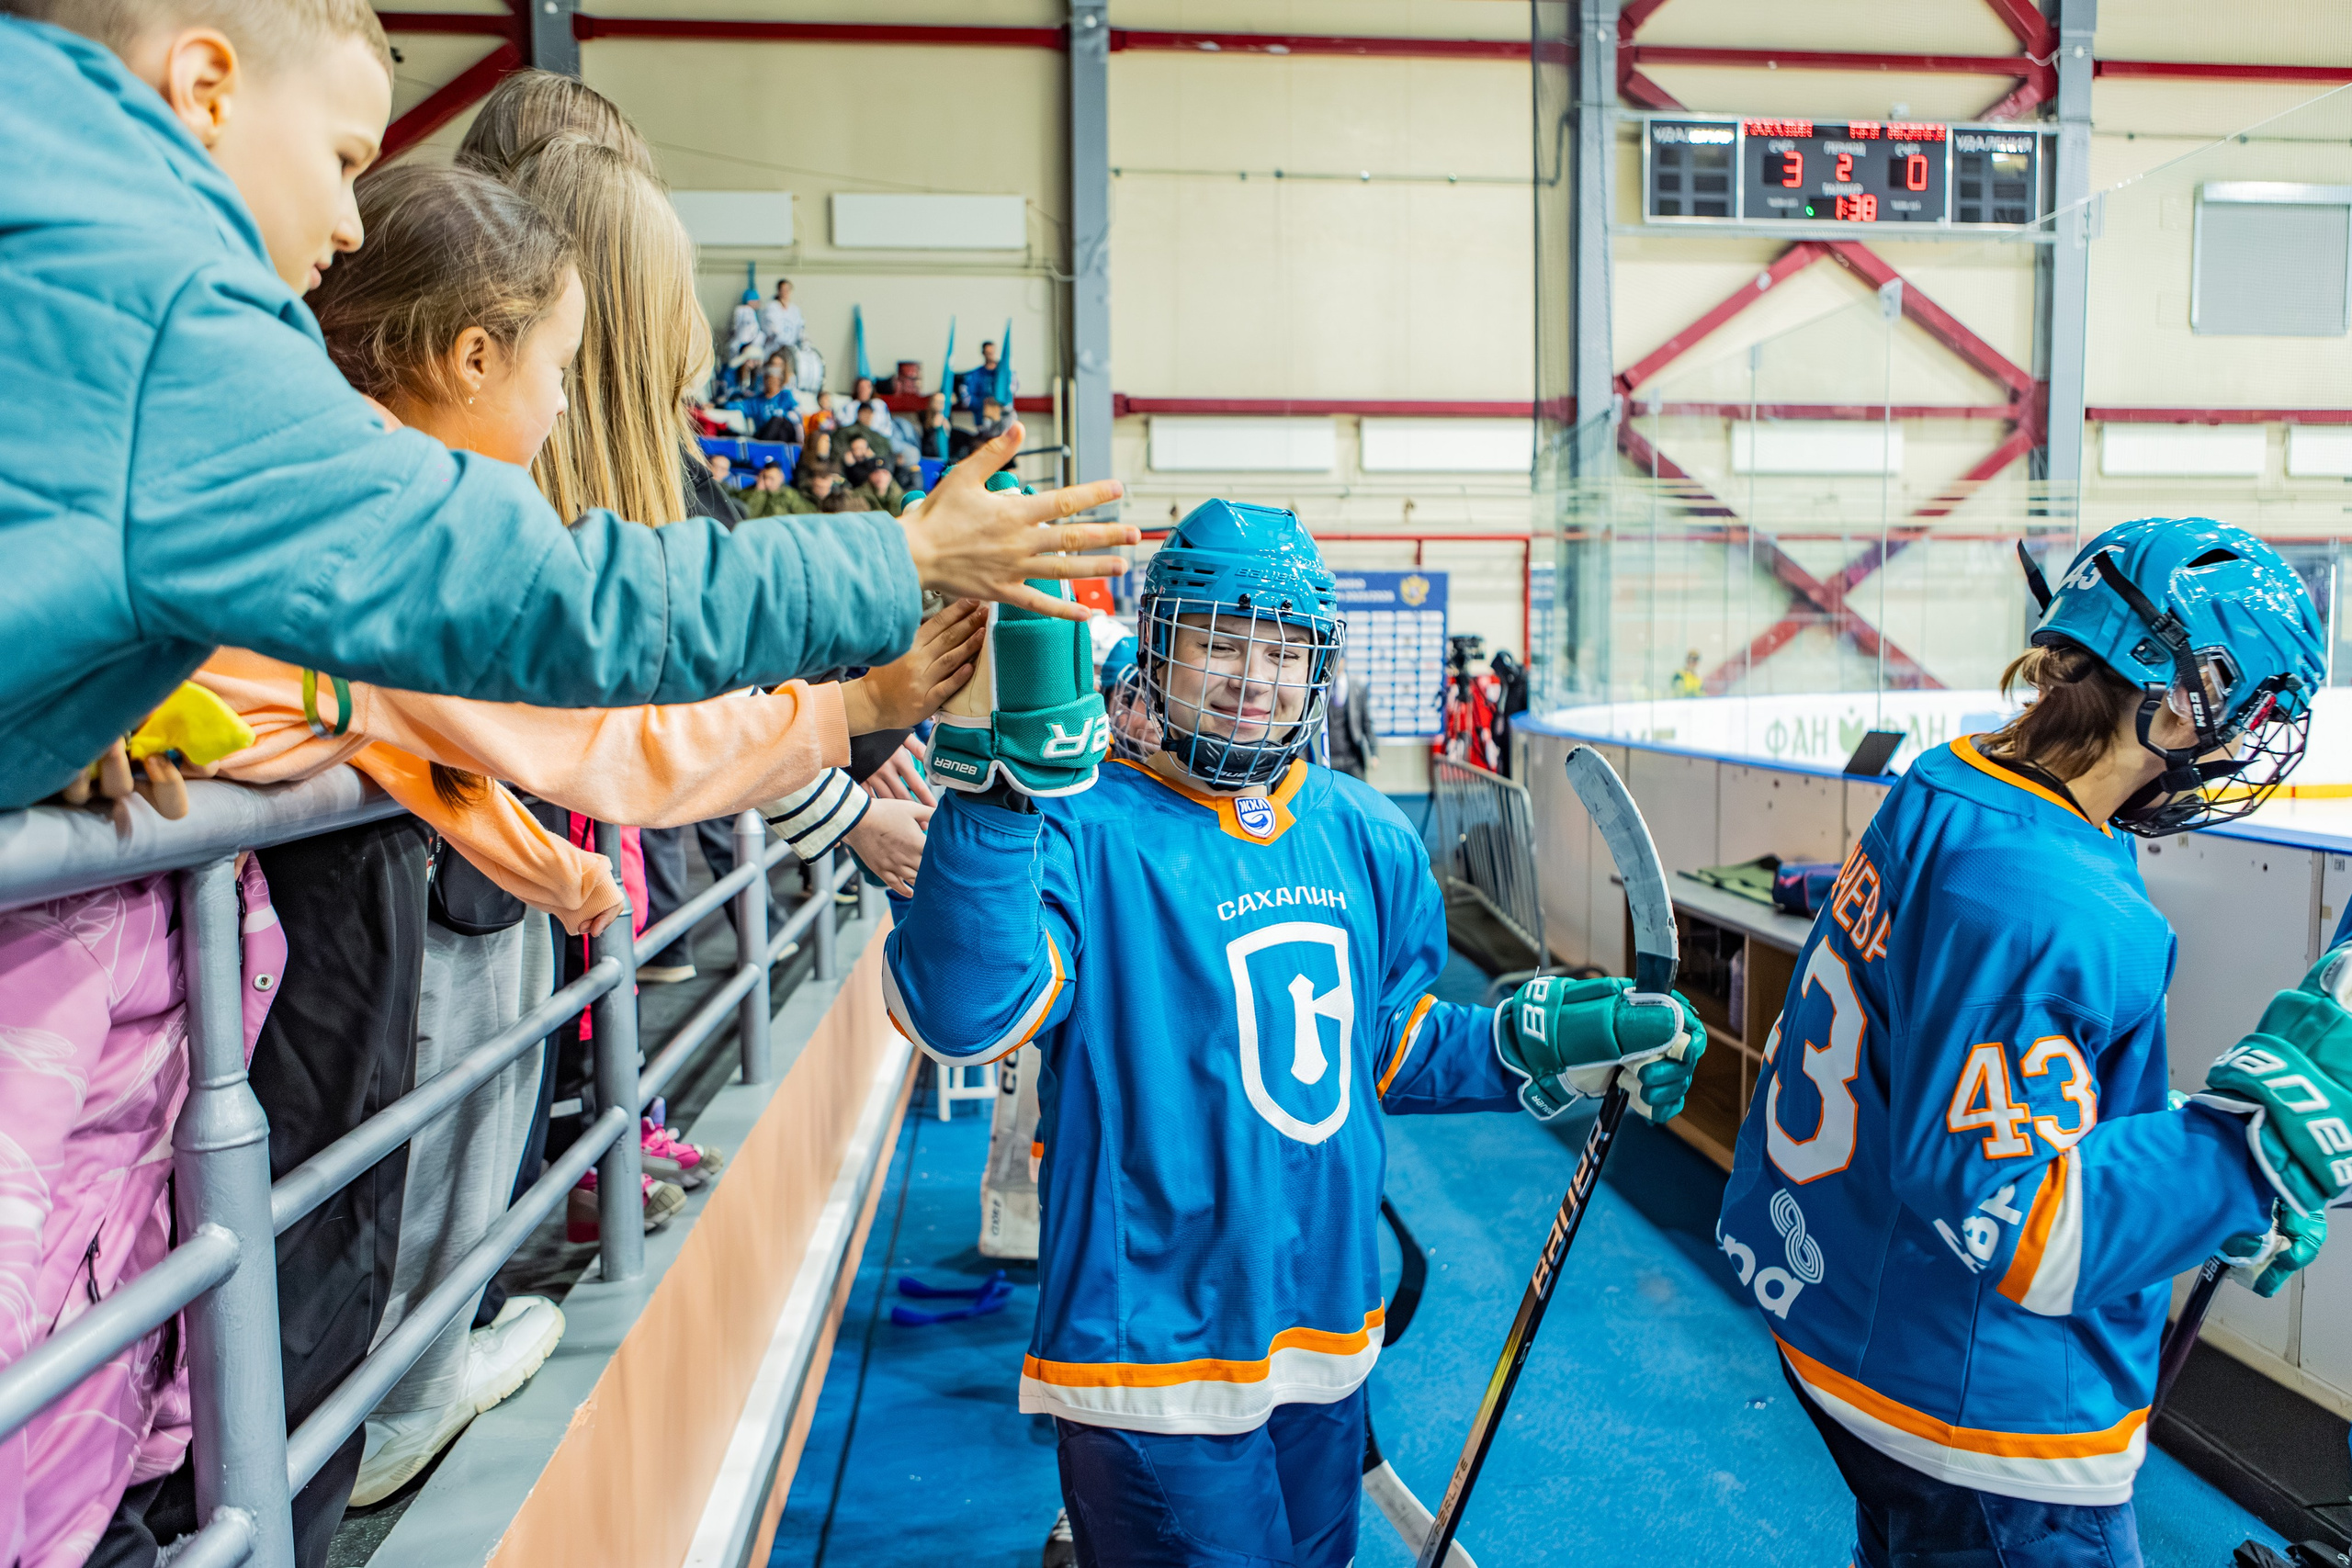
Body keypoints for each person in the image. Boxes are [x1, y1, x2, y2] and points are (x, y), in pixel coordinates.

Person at [0, 4, 1135, 811]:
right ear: (205, 89)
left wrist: (62, 711)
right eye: (345, 157)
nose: (346, 224)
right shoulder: (178, 336)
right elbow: (555, 598)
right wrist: (905, 555)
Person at [883, 501, 1705, 1566]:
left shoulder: (1361, 830)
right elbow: (964, 1015)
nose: (1254, 676)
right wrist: (992, 803)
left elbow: (1390, 1051)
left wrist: (1551, 1040)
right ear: (1160, 643)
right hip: (1152, 1362)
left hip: (1324, 1332)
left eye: (1285, 648)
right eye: (1221, 640)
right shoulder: (1082, 821)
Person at [1717, 517, 2350, 1568]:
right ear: (2182, 694)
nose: (2243, 747)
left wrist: (2181, 1198)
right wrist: (2239, 1157)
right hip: (1971, 1406)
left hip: (1849, 1313)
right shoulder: (2048, 900)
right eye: (2247, 711)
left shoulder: (1953, 783)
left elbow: (1977, 1068)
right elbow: (2017, 1223)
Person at [1322, 652, 1377, 779]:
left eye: (1338, 660)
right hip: (1329, 758)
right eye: (1330, 661)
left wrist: (1374, 753)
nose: (1334, 664)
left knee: (1358, 792)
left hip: (1352, 756)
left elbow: (1366, 722)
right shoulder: (1321, 687)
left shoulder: (1357, 687)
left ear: (1344, 661)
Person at [732, 358, 801, 443]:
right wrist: (720, 405)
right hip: (764, 434)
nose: (768, 381)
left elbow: (796, 415)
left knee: (778, 420)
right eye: (766, 378)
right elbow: (739, 406)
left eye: (771, 378)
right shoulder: (757, 400)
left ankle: (765, 448)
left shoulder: (786, 396)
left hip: (785, 437)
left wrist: (782, 414)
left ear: (779, 380)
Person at [741, 460, 814, 517]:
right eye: (765, 478)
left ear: (781, 478)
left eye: (772, 479)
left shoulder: (789, 494)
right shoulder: (753, 492)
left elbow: (804, 514)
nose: (768, 482)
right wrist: (759, 490)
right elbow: (749, 516)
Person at [958, 338, 1012, 412]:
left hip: (1003, 413)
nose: (991, 356)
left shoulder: (1004, 374)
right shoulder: (975, 375)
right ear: (983, 353)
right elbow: (965, 393)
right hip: (983, 413)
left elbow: (1012, 389)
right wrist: (982, 402)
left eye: (992, 353)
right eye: (988, 353)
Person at [757, 276, 803, 356]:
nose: (785, 292)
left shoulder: (795, 310)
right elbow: (771, 327)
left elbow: (800, 327)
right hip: (774, 348)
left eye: (787, 290)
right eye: (783, 290)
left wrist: (804, 340)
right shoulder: (772, 307)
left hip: (790, 349)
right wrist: (777, 335)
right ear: (778, 291)